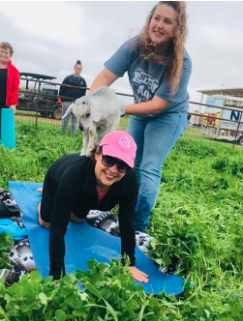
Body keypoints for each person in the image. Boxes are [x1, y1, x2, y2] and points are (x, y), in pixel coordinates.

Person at [89, 1, 192, 233]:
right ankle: (122, 209)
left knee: (148, 167)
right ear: (150, 19)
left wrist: (119, 109)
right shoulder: (134, 47)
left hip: (169, 115)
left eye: (167, 21)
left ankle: (137, 227)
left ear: (177, 28)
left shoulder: (182, 63)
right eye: (157, 18)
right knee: (126, 161)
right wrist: (92, 103)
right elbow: (105, 76)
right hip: (141, 111)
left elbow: (158, 104)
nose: (159, 25)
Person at [38, 130, 149, 283]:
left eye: (122, 165)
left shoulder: (128, 180)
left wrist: (129, 264)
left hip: (85, 194)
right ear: (97, 154)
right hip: (58, 178)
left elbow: (126, 220)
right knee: (46, 222)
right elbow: (58, 228)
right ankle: (49, 197)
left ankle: (62, 199)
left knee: (77, 219)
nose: (113, 170)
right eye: (109, 159)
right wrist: (58, 276)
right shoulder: (74, 174)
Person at [59, 60, 87, 135]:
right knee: (65, 118)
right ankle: (62, 133)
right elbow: (62, 89)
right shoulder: (68, 78)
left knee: (75, 120)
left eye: (79, 69)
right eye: (77, 68)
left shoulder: (83, 81)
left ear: (81, 70)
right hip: (67, 102)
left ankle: (72, 135)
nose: (78, 70)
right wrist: (61, 99)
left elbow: (83, 93)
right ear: (74, 69)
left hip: (77, 104)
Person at [0, 42, 20, 140]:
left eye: (6, 53)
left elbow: (14, 89)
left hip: (4, 105)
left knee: (4, 133)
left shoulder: (14, 71)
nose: (3, 54)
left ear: (10, 55)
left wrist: (13, 104)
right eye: (1, 51)